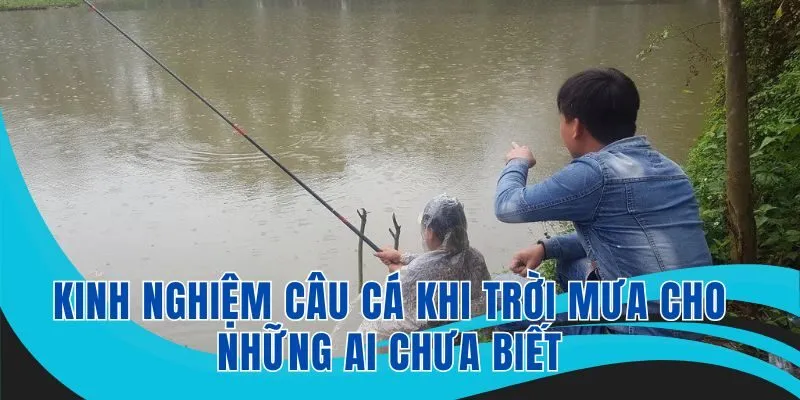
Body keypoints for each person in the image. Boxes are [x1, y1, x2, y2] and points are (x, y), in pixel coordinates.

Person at [493, 67, 713, 336]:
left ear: (576, 127)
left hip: (642, 340)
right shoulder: (670, 170)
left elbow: (507, 205)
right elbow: (624, 235)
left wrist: (518, 161)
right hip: (696, 326)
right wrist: (546, 248)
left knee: (503, 296)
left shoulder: (594, 174)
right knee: (571, 266)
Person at [357, 194, 492, 343]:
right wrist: (401, 257)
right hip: (469, 331)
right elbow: (438, 263)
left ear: (430, 233)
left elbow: (403, 303)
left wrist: (398, 271)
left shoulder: (419, 270)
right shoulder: (475, 256)